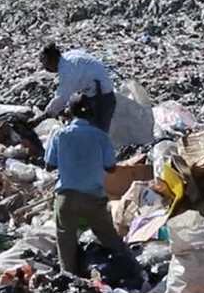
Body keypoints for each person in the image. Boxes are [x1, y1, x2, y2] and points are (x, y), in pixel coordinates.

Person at [45, 94, 138, 278]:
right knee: (109, 237)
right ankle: (132, 269)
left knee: (66, 239)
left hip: (67, 197)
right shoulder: (101, 136)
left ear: (69, 112)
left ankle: (69, 278)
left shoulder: (60, 134)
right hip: (94, 198)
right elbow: (111, 168)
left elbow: (49, 165)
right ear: (91, 114)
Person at [37, 43, 116, 131]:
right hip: (93, 91)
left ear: (52, 59)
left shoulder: (67, 71)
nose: (45, 68)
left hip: (102, 98)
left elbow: (61, 98)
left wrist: (44, 116)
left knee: (99, 131)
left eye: (45, 63)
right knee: (73, 104)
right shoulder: (69, 56)